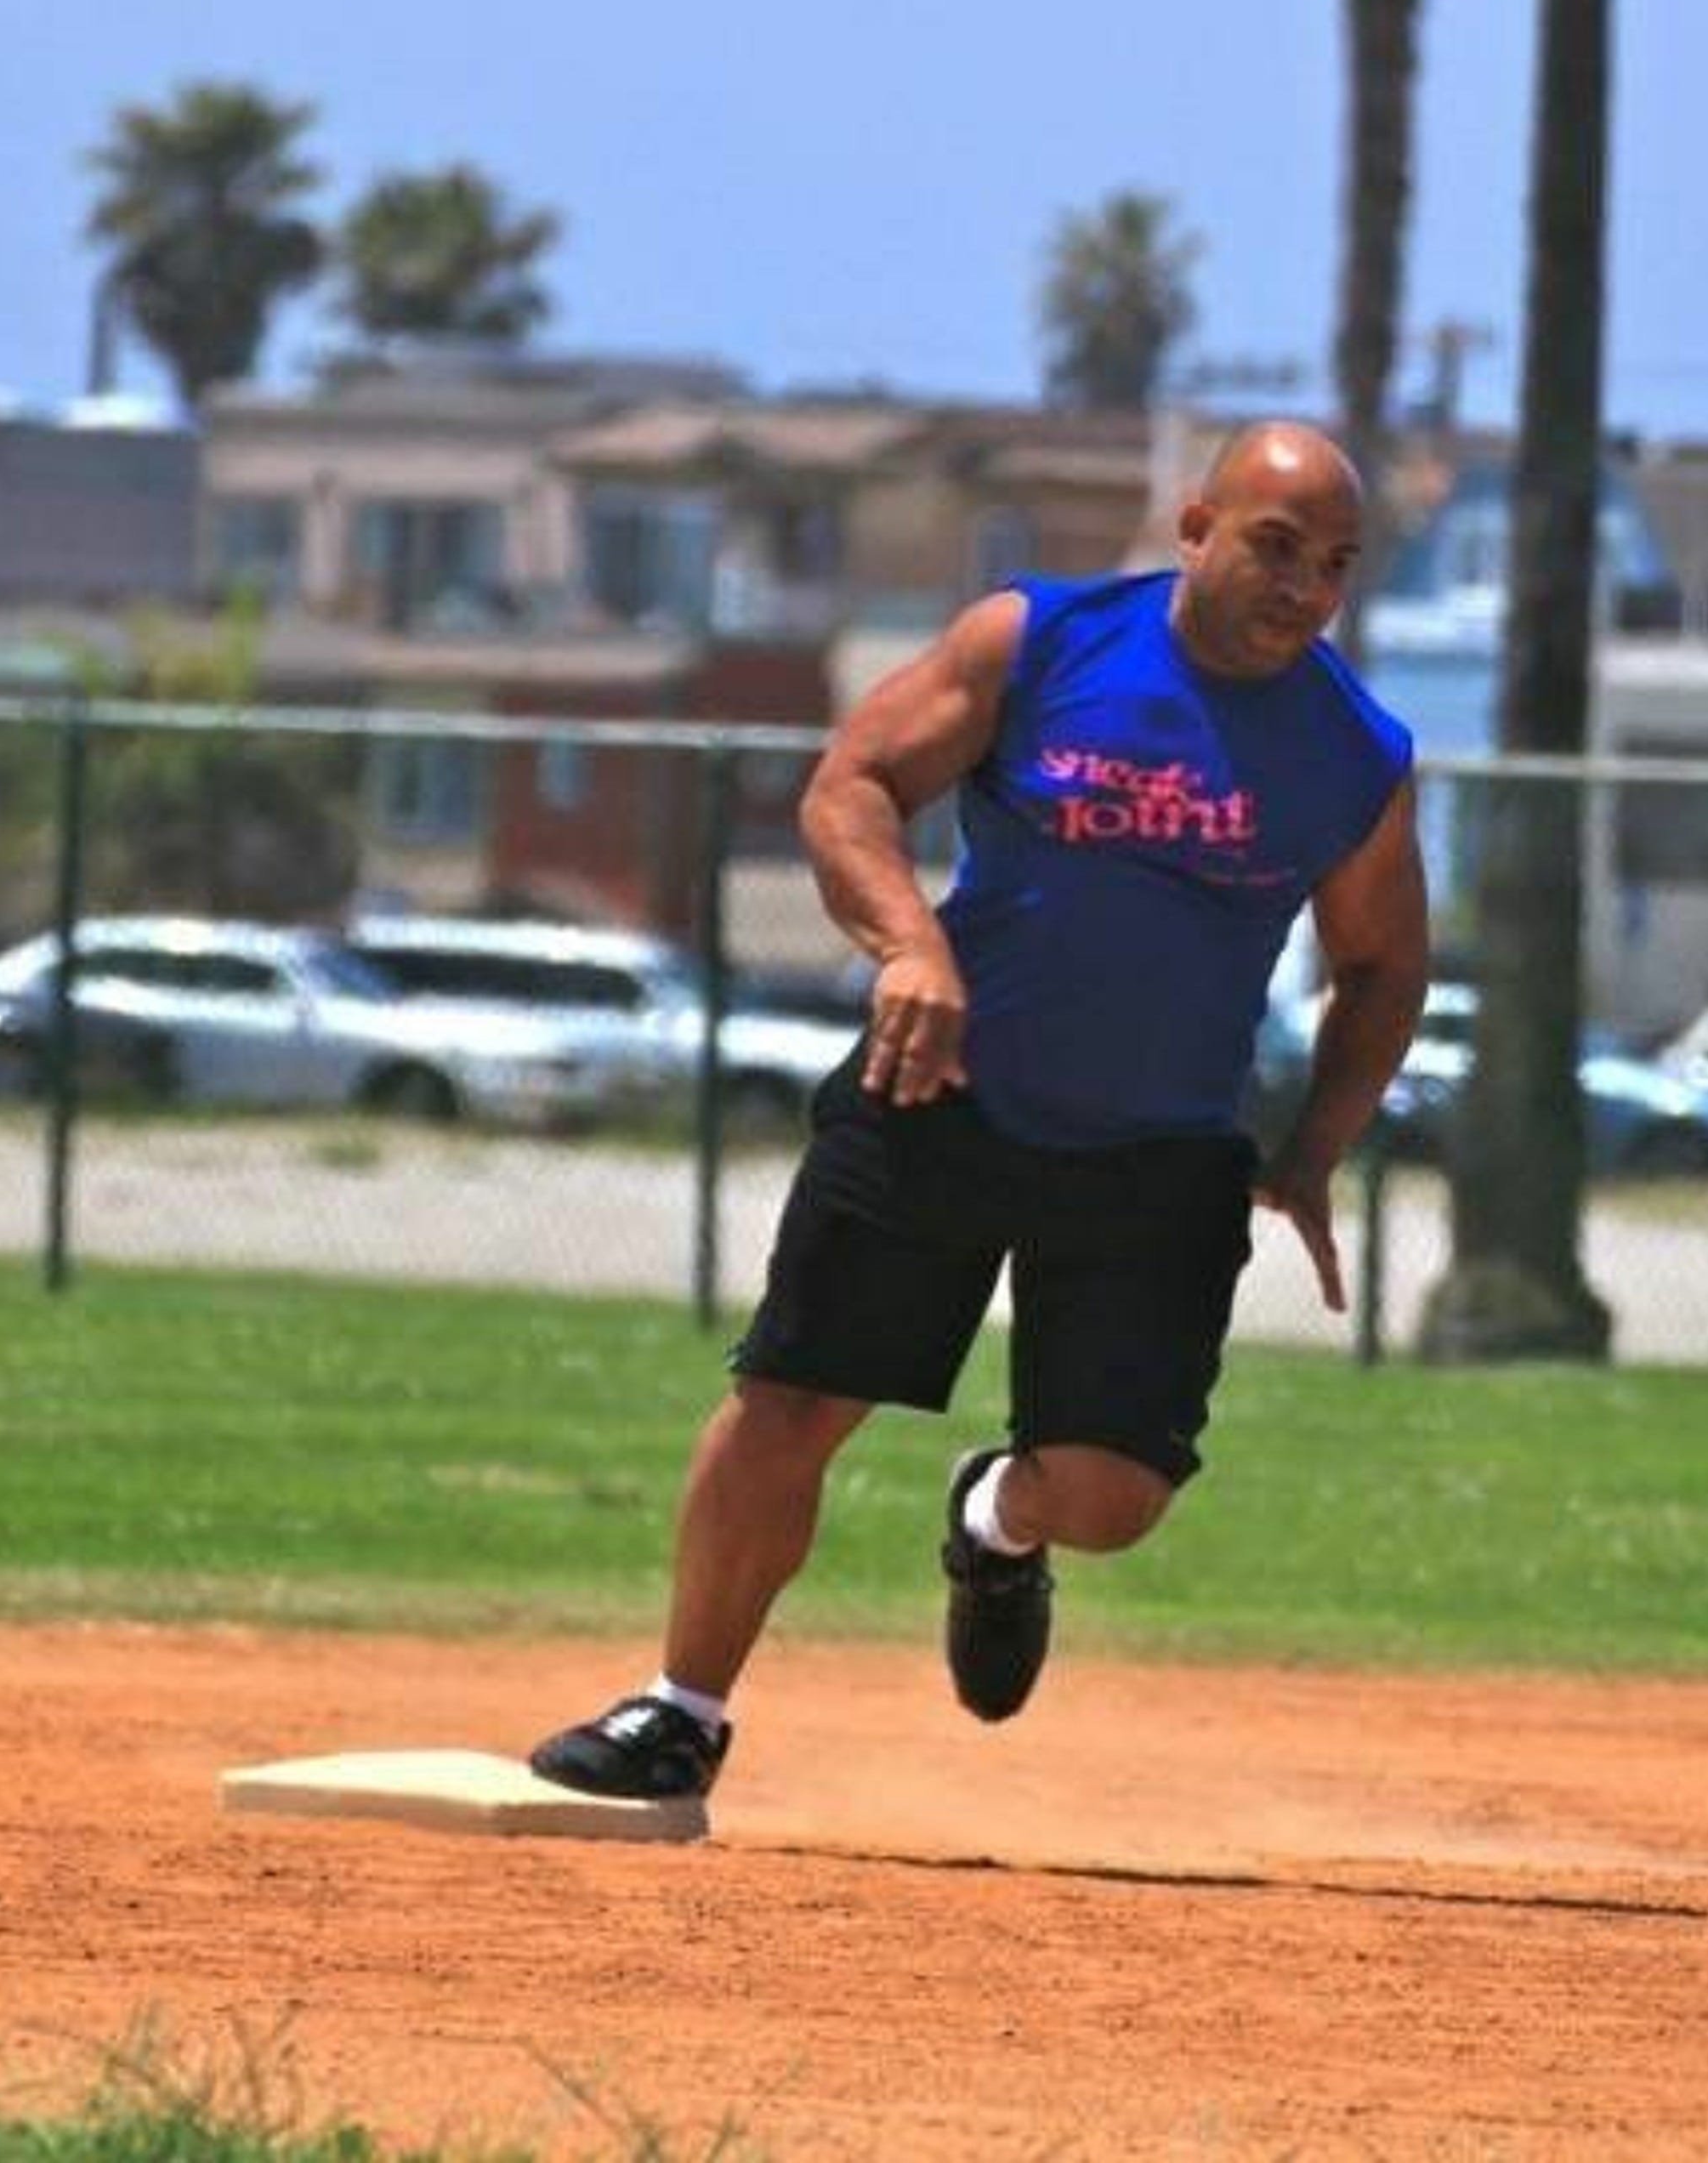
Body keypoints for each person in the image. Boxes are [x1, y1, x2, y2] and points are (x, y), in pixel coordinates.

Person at [529, 418, 1428, 1806]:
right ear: (1194, 530)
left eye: (1336, 564)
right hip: (941, 1093)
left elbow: (1381, 967)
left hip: (1159, 1153)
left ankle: (997, 1516)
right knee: (787, 1404)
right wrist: (911, 947)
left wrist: (1314, 1149)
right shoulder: (1045, 641)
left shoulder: (1354, 750)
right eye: (1274, 546)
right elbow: (853, 786)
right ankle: (680, 1712)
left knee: (1111, 1501)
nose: (1304, 586)